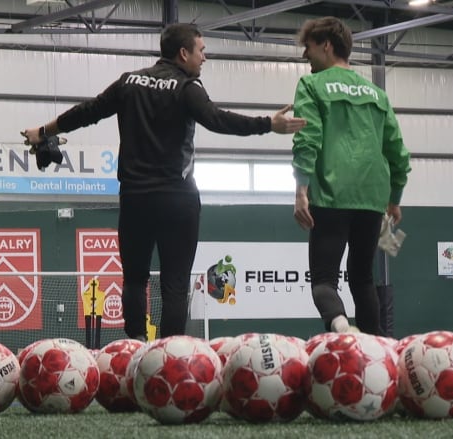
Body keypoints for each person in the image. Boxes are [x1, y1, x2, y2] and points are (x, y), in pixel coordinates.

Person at [21, 23, 306, 341]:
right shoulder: (188, 88)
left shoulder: (128, 82)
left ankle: (132, 350)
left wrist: (44, 132)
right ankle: (170, 356)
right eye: (201, 51)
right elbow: (218, 120)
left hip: (135, 198)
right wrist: (269, 124)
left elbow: (88, 112)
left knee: (133, 279)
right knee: (175, 282)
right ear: (183, 53)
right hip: (177, 199)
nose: (205, 58)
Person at [291, 17, 411, 335]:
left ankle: (342, 329)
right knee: (362, 279)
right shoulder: (376, 94)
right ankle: (379, 352)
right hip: (372, 201)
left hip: (331, 195)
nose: (306, 56)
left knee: (323, 281)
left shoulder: (311, 85)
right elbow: (399, 154)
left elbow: (307, 138)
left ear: (326, 46)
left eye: (310, 48)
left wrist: (301, 189)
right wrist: (394, 199)